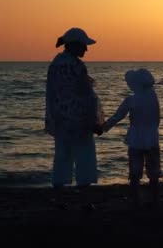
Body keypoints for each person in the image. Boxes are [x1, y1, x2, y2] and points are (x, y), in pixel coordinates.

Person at [45, 27, 103, 210]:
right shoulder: (77, 66)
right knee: (84, 158)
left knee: (62, 157)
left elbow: (51, 94)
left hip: (61, 120)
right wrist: (95, 120)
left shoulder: (55, 64)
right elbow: (86, 95)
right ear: (75, 46)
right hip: (79, 120)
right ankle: (84, 201)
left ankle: (59, 199)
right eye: (84, 46)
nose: (86, 50)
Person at [101, 68, 161, 206]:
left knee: (135, 171)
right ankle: (155, 199)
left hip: (136, 139)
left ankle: (136, 199)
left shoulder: (131, 100)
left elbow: (118, 116)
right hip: (152, 137)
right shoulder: (153, 97)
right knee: (153, 171)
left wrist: (104, 127)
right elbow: (157, 118)